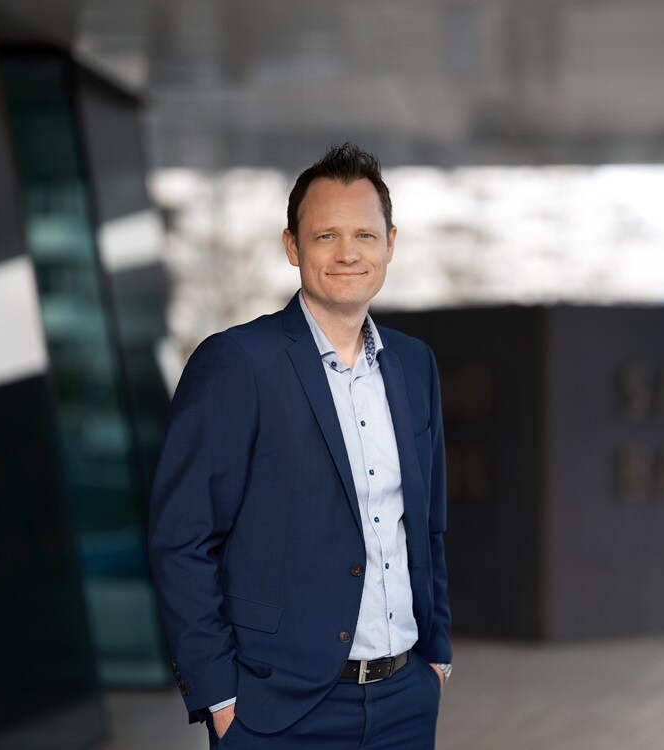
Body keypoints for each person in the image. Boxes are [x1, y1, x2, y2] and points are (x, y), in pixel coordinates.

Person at [148, 143, 452, 748]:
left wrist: (435, 655)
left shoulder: (415, 365)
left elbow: (427, 523)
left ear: (390, 244)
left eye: (364, 235)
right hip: (277, 711)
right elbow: (181, 539)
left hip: (405, 701)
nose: (348, 253)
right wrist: (220, 696)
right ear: (292, 246)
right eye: (326, 235)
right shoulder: (237, 364)